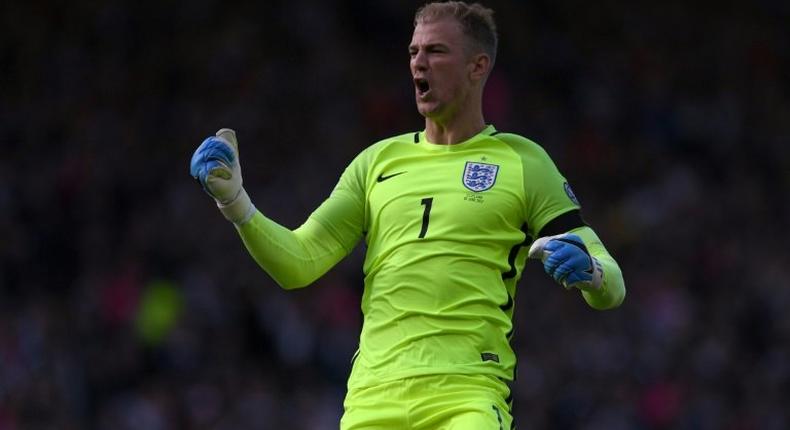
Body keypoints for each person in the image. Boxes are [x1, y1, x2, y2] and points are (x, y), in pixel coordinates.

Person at [190, 2, 625, 428]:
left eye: (436, 51)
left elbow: (611, 281)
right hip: (373, 397)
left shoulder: (523, 162)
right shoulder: (376, 163)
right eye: (414, 51)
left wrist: (592, 273)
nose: (419, 63)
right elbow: (299, 263)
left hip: (467, 395)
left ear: (478, 67)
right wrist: (236, 203)